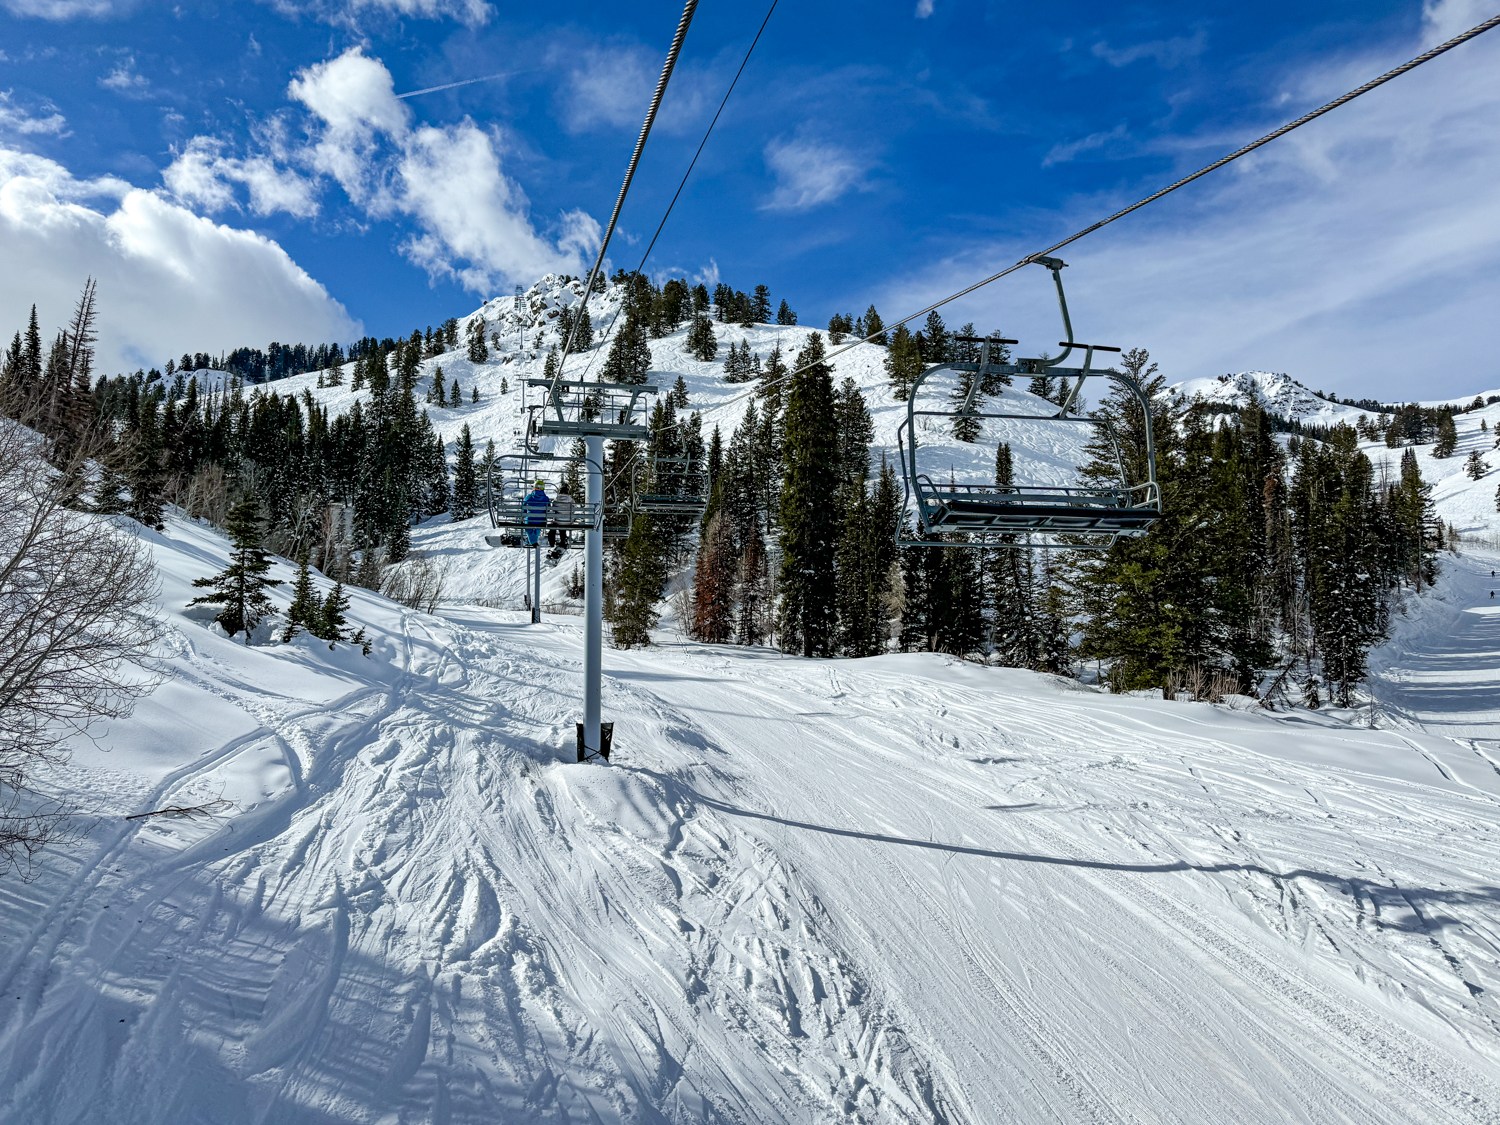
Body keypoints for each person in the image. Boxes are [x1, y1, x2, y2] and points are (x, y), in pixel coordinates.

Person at [521, 479, 550, 546]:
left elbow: (523, 508)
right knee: (537, 526)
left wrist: (524, 514)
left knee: (528, 526)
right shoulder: (546, 499)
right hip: (541, 521)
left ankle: (532, 541)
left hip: (529, 520)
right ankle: (532, 541)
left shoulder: (529, 497)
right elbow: (548, 509)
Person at [549, 483, 576, 549]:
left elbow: (553, 509)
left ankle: (552, 543)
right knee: (562, 526)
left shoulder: (556, 500)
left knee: (556, 524)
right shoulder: (571, 500)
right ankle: (563, 541)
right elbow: (574, 509)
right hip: (568, 521)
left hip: (558, 521)